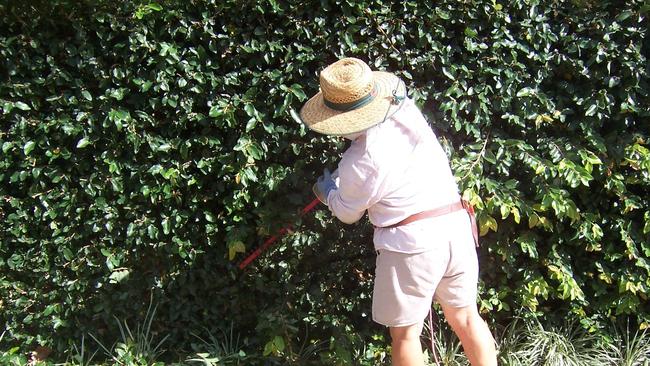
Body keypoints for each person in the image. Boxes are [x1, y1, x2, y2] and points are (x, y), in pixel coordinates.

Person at [298, 57, 497, 366]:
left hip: (412, 246)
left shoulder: (358, 160)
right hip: (456, 229)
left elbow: (348, 213)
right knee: (468, 318)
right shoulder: (408, 113)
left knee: (405, 335)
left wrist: (329, 193)